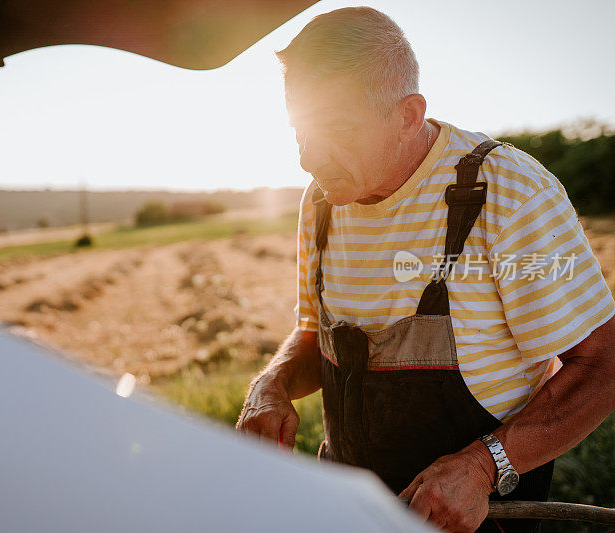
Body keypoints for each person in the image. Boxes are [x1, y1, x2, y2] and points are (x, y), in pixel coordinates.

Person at [235, 7, 615, 533]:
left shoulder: (507, 193)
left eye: (338, 129)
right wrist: (271, 385)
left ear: (409, 115)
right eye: (301, 131)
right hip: (355, 514)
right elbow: (312, 335)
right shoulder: (321, 202)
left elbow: (601, 365)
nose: (308, 159)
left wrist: (485, 467)